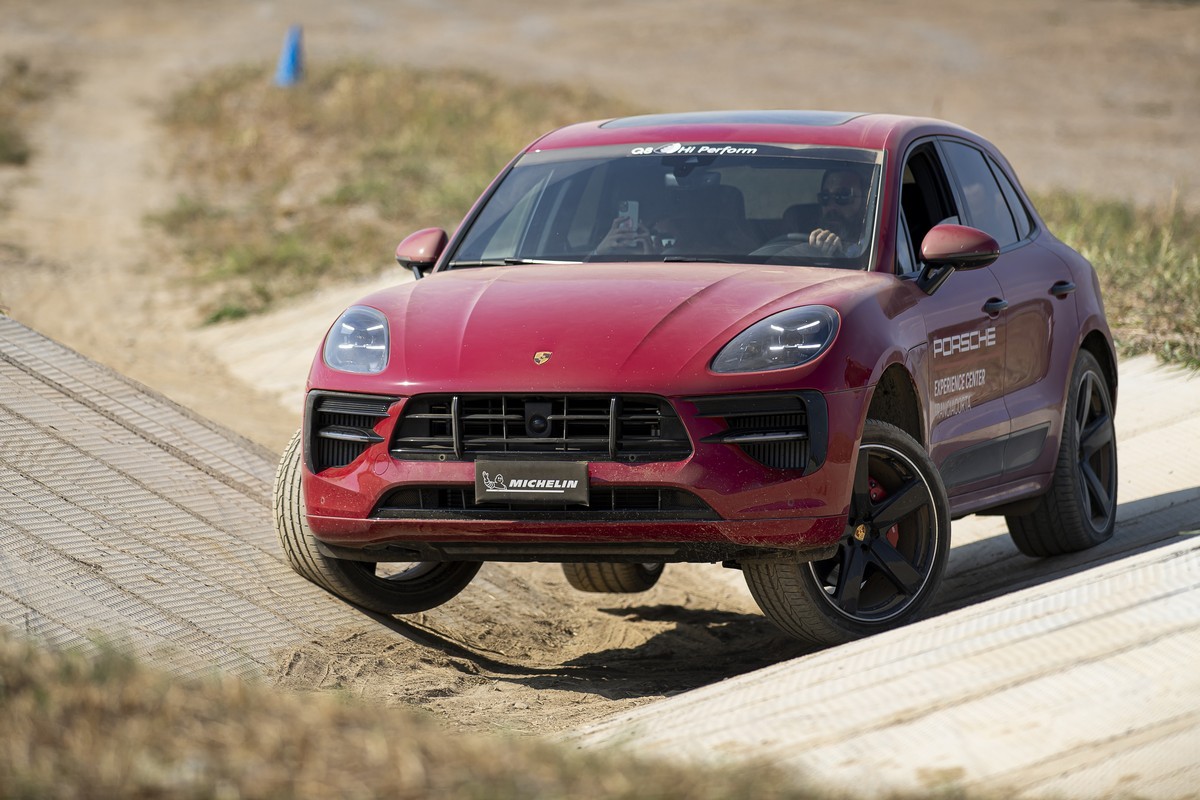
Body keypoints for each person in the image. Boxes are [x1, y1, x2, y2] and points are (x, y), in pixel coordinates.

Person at [807, 167, 869, 257]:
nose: (831, 207)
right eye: (825, 197)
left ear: (865, 202)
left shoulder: (871, 253)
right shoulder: (803, 251)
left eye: (843, 196)